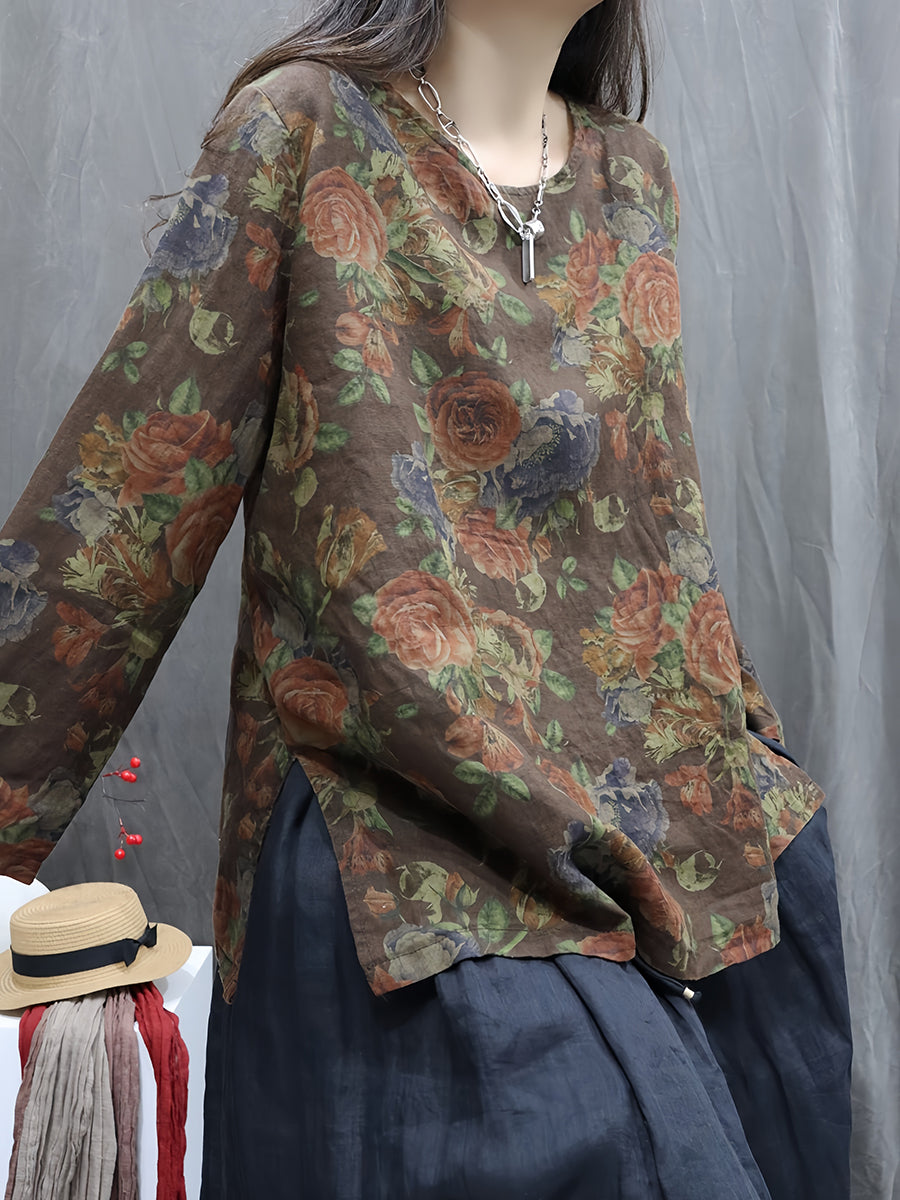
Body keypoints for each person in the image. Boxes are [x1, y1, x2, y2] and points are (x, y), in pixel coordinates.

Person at [0, 1, 853, 1196]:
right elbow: (129, 494)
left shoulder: (633, 177)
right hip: (404, 830)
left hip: (650, 808)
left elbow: (656, 530)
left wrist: (740, 756)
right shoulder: (301, 131)